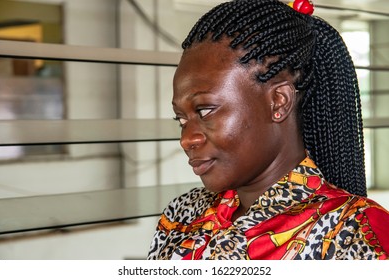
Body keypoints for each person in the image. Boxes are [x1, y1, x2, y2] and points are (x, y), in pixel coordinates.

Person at [147, 0, 389, 260]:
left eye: (205, 110)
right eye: (181, 119)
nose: (186, 139)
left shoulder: (352, 233)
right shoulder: (181, 215)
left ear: (279, 101)